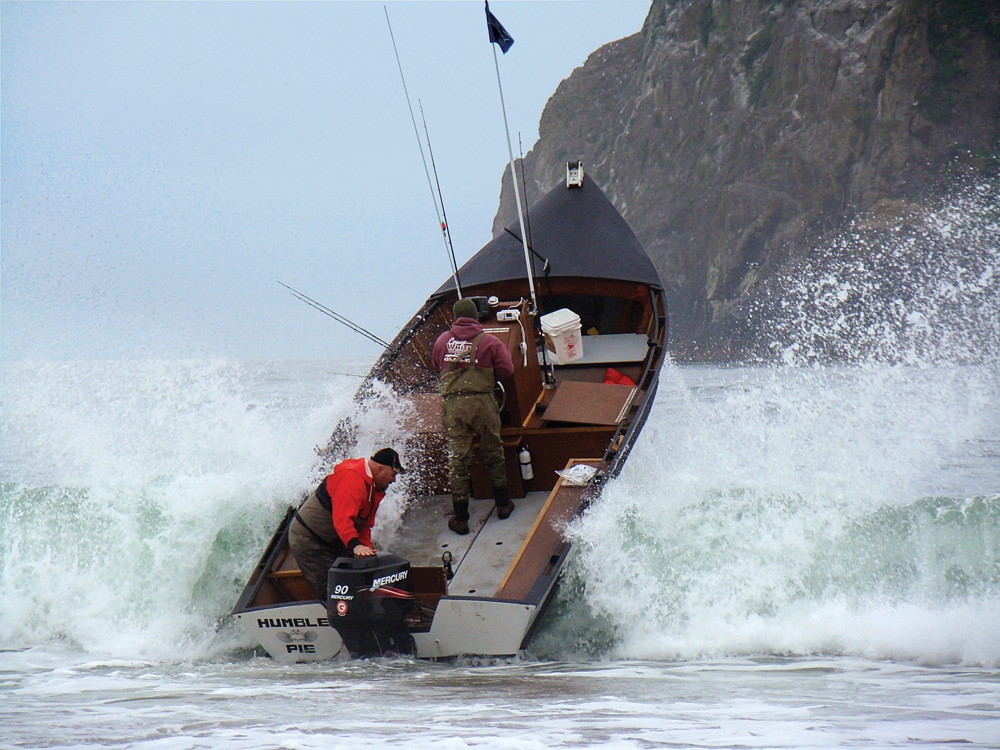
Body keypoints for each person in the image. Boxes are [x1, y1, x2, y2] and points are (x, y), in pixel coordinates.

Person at [432, 297, 515, 534]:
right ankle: (502, 505)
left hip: (454, 407)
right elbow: (507, 370)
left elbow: (436, 364)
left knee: (458, 460)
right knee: (493, 452)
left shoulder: (442, 341)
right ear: (477, 317)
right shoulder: (490, 341)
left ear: (455, 318)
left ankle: (461, 518)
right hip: (483, 404)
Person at [288, 447, 406, 600]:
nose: (394, 480)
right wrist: (356, 546)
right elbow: (342, 520)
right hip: (309, 539)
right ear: (379, 469)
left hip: (335, 539)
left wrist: (369, 556)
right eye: (393, 474)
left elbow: (364, 526)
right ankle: (339, 617)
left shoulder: (374, 488)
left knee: (359, 579)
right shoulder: (352, 478)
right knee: (334, 591)